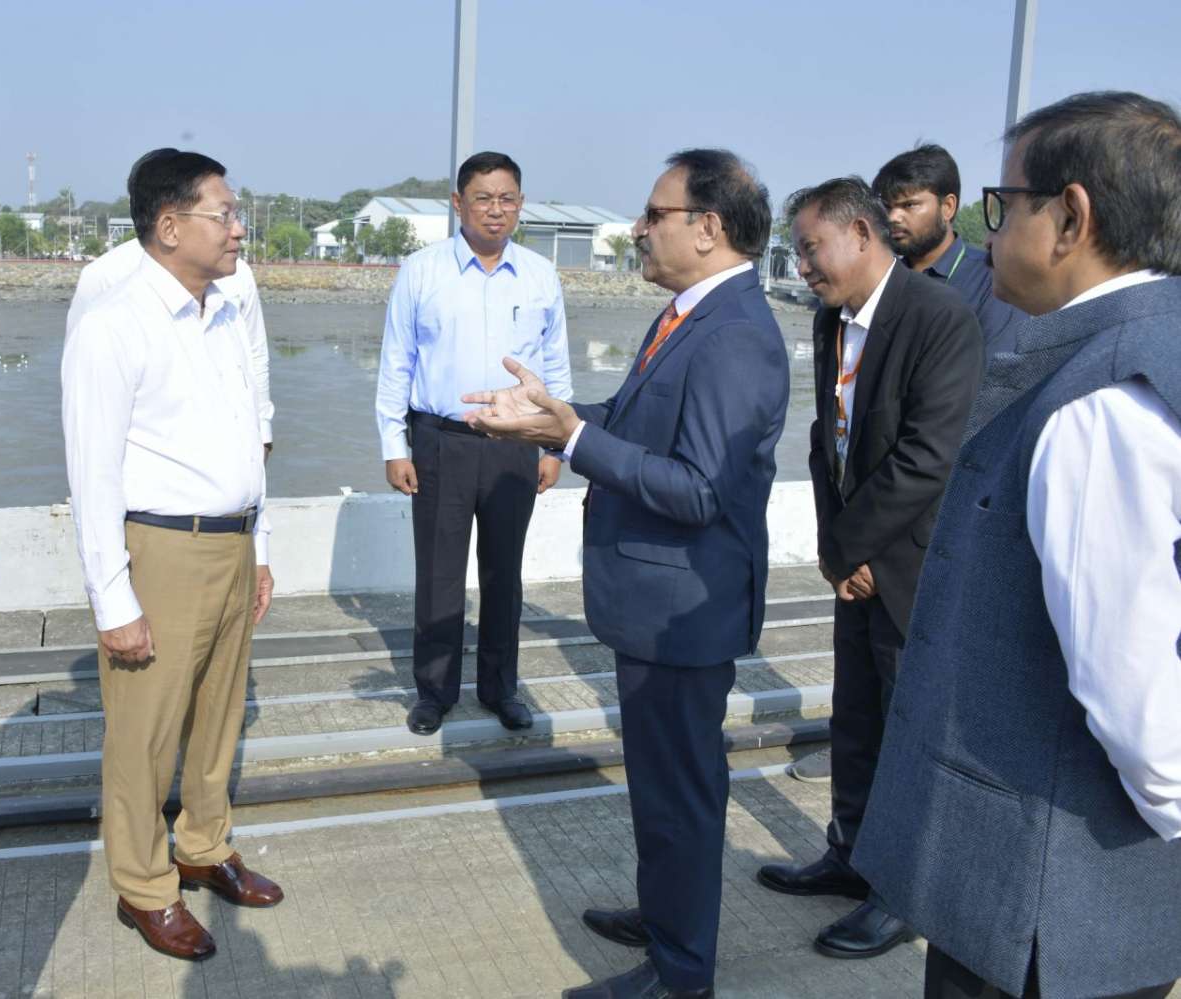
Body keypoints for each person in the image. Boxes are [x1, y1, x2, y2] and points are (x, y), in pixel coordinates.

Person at [853, 90, 1181, 999]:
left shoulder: (1102, 401)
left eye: (1003, 205)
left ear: (1071, 218)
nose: (989, 231)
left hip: (1047, 899)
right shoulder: (1150, 347)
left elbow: (1134, 694)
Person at [465, 149, 787, 999]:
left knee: (680, 796)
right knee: (660, 791)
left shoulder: (734, 336)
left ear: (708, 228)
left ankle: (680, 975)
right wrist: (557, 417)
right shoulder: (687, 316)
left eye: (655, 214)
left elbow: (698, 488)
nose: (640, 228)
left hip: (685, 611)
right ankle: (665, 914)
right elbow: (637, 423)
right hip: (655, 604)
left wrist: (572, 441)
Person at [62, 149, 283, 964]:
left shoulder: (226, 309)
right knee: (145, 734)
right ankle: (145, 885)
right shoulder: (113, 325)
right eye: (223, 214)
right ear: (168, 225)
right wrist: (112, 600)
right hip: (160, 545)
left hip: (230, 543)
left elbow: (251, 438)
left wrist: (260, 544)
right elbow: (91, 473)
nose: (238, 228)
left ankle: (203, 844)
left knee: (219, 716)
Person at [754, 177, 983, 960]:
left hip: (911, 567)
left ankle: (902, 891)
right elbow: (829, 443)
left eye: (811, 248)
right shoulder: (832, 320)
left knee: (908, 733)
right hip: (854, 562)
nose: (803, 266)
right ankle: (850, 853)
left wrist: (855, 551)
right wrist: (837, 552)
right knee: (854, 718)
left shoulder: (938, 319)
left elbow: (927, 458)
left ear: (859, 233)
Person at [375, 150, 572, 736]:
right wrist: (394, 445)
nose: (495, 209)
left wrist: (555, 446)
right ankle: (434, 692)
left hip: (516, 444)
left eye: (507, 198)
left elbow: (555, 365)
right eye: (483, 198)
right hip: (441, 443)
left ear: (521, 204)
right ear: (458, 204)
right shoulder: (421, 271)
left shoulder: (539, 275)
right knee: (439, 574)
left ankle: (500, 688)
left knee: (504, 574)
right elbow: (396, 361)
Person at [65, 177, 273, 451]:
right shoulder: (104, 277)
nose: (239, 231)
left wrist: (263, 434)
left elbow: (255, 356)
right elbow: (87, 396)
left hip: (231, 448)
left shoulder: (237, 276)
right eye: (223, 216)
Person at [873, 143, 1025, 358]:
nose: (893, 217)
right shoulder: (882, 279)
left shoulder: (991, 279)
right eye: (888, 207)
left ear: (948, 207)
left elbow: (996, 369)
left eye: (909, 205)